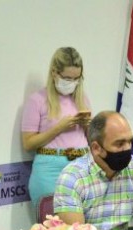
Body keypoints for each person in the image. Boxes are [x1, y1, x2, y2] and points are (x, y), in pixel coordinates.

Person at [21, 46, 91, 214]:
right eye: (67, 78)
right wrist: (59, 128)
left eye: (76, 78)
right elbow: (28, 143)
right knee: (54, 226)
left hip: (82, 166)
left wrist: (88, 125)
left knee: (83, 227)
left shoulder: (82, 99)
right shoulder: (37, 100)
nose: (72, 83)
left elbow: (90, 138)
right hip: (49, 170)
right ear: (54, 73)